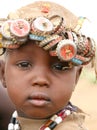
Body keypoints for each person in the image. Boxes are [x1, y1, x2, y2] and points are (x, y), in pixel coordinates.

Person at [0, 1, 96, 130]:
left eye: (59, 67)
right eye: (24, 65)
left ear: (76, 78)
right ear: (2, 73)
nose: (41, 80)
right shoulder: (18, 122)